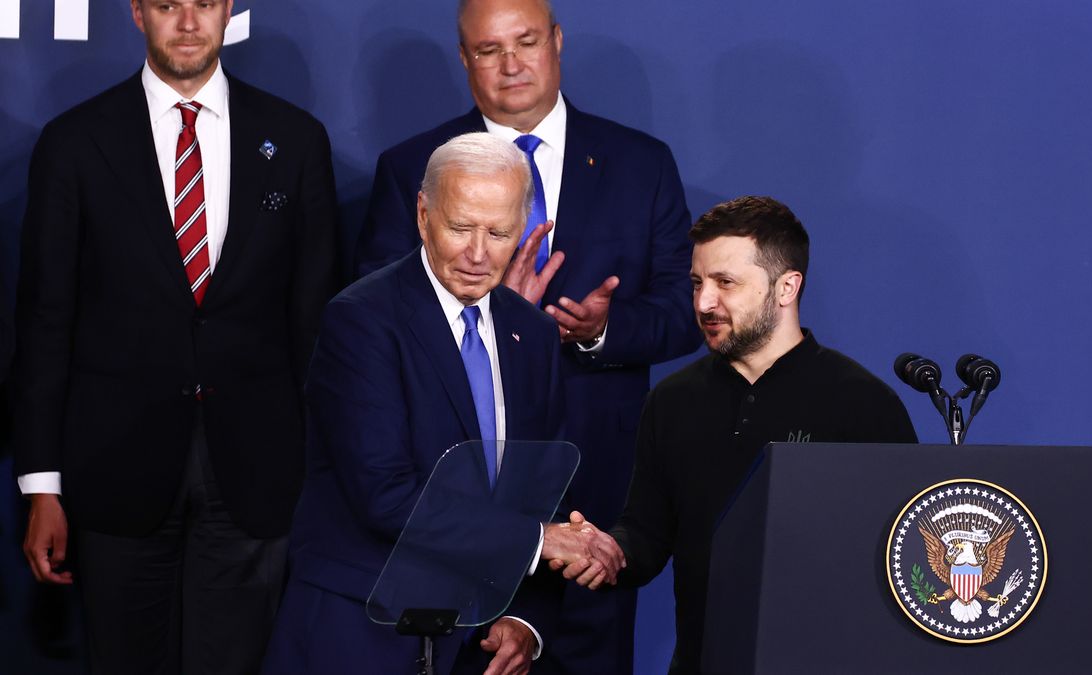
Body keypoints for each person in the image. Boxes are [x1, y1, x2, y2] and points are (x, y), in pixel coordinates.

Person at [356, 1, 698, 669]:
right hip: (460, 486)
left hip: (597, 488)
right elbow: (381, 316)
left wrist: (603, 330)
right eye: (488, 50)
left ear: (557, 41)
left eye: (526, 42)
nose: (510, 64)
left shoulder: (640, 162)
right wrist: (488, 309)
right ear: (464, 58)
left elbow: (687, 311)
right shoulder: (412, 170)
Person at [12, 1, 340, 672]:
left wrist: (326, 475)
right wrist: (41, 484)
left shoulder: (296, 140)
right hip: (115, 468)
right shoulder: (75, 142)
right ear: (137, 13)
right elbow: (46, 321)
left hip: (257, 469)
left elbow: (317, 322)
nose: (187, 21)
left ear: (227, 11)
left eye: (204, 3)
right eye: (167, 4)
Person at [263, 133, 624, 675]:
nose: (479, 255)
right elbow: (386, 496)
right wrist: (539, 543)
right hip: (365, 637)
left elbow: (541, 488)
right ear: (423, 213)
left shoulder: (533, 334)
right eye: (460, 228)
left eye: (500, 233)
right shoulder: (362, 319)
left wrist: (523, 617)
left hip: (476, 646)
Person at [558, 196, 918, 674]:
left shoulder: (863, 404)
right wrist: (610, 552)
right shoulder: (672, 400)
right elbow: (647, 532)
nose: (704, 302)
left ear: (787, 287)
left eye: (725, 282)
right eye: (697, 283)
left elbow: (904, 555)